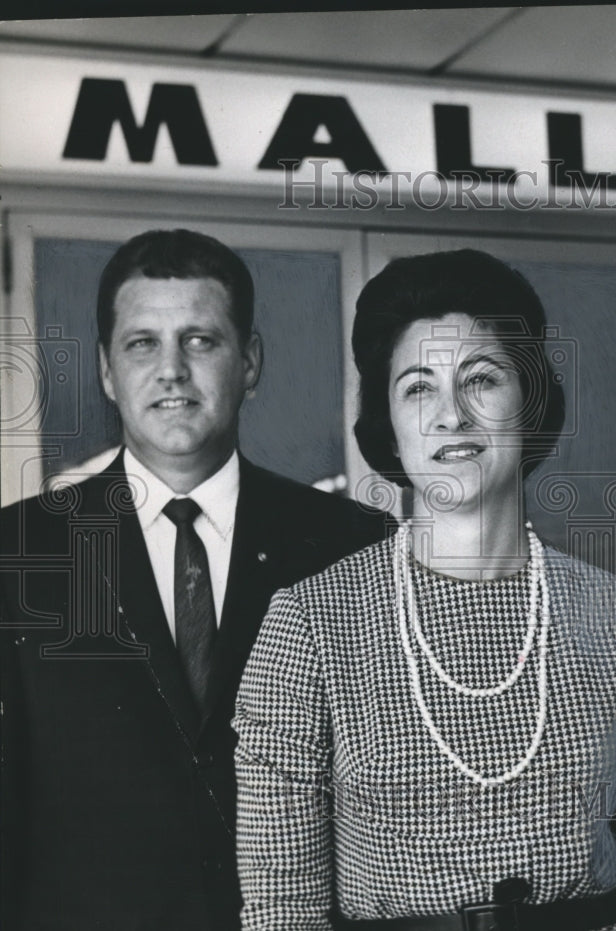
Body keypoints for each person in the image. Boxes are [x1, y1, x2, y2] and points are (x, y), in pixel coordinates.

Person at [233, 249, 616, 930]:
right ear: (387, 423)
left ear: (529, 401)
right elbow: (282, 910)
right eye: (418, 386)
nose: (451, 414)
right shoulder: (310, 622)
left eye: (481, 379)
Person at [0, 229, 389, 930]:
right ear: (107, 371)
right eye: (142, 342)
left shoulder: (351, 544)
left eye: (201, 340)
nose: (171, 369)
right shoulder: (19, 549)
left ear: (250, 361)